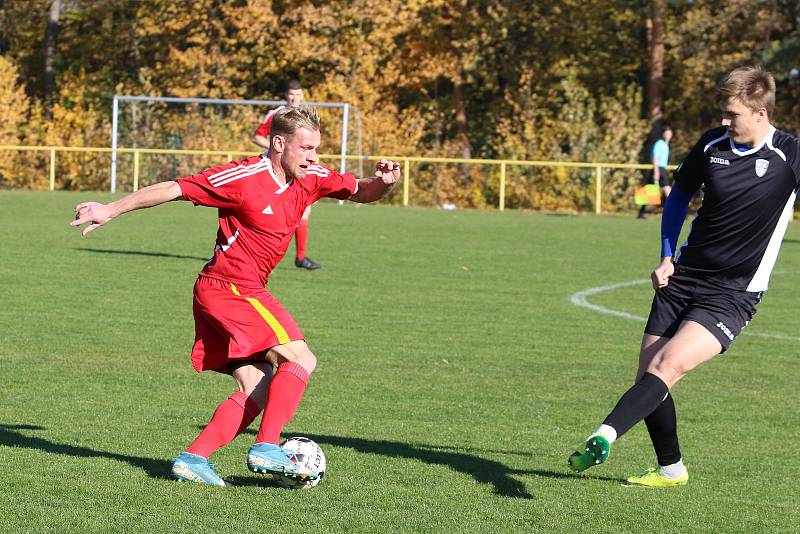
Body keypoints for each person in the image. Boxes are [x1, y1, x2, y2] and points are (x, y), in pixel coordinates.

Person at [72, 105, 400, 487]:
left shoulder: (312, 177)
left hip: (238, 291)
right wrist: (111, 209)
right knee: (300, 358)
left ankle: (193, 458)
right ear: (279, 143)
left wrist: (387, 183)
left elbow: (362, 191)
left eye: (316, 148)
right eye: (305, 147)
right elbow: (174, 188)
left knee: (257, 387)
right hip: (228, 289)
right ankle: (266, 447)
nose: (313, 156)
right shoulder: (242, 176)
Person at [568, 65, 800, 487]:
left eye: (734, 115)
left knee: (668, 366)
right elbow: (678, 198)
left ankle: (603, 435)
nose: (725, 122)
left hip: (733, 293)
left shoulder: (789, 156)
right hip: (683, 278)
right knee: (648, 377)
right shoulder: (712, 143)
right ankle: (671, 470)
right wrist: (666, 255)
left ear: (761, 113)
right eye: (724, 114)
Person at [253, 79, 321, 270]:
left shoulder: (305, 116)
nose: (295, 98)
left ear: (302, 95)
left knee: (304, 210)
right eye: (292, 94)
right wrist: (279, 148)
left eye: (298, 94)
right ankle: (264, 250)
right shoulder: (277, 114)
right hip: (277, 169)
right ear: (286, 95)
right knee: (270, 211)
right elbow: (257, 135)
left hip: (300, 169)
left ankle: (301, 257)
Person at [637, 125, 673, 219]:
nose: (669, 135)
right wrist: (656, 171)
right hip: (658, 168)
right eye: (667, 133)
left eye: (670, 133)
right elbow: (655, 157)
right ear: (663, 134)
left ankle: (641, 212)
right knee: (666, 190)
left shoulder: (666, 145)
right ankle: (675, 212)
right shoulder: (659, 143)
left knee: (650, 190)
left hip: (661, 169)